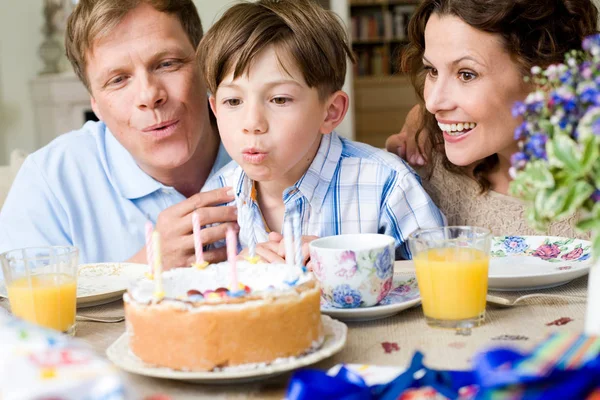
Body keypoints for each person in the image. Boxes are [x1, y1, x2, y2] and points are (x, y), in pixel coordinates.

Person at [198, 0, 445, 262]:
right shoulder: (215, 199)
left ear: (331, 112)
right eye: (233, 102)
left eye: (279, 99)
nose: (252, 123)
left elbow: (445, 282)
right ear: (215, 109)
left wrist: (347, 267)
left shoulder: (388, 186)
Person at [0, 0, 239, 268]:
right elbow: (20, 307)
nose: (149, 95)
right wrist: (142, 269)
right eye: (118, 80)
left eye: (167, 64)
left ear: (203, 63)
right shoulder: (50, 182)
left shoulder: (277, 141)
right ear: (95, 104)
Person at [384, 0, 598, 236]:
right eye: (432, 70)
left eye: (466, 74)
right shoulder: (427, 169)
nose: (433, 102)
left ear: (546, 77)